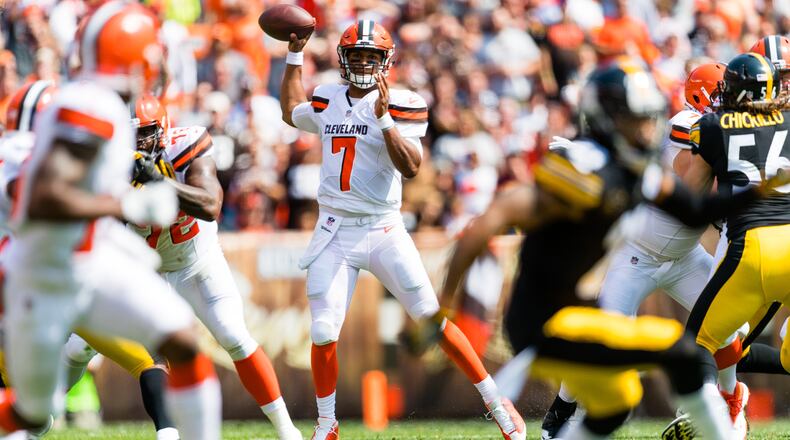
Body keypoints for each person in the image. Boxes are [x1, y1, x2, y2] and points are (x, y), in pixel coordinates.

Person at [440, 58, 774, 439]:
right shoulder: (674, 134)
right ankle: (561, 417)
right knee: (607, 365)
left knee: (726, 334)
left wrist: (764, 190)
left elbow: (696, 206)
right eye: (640, 119)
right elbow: (500, 216)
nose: (649, 128)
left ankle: (728, 401)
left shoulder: (640, 164)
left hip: (683, 257)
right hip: (631, 261)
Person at [280, 19, 526, 440]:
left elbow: (411, 167)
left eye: (370, 56)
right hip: (335, 229)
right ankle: (326, 425)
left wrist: (385, 120)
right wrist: (294, 55)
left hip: (382, 228)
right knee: (322, 330)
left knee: (431, 317)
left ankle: (496, 401)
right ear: (342, 59)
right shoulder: (327, 98)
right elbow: (290, 111)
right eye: (355, 55)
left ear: (384, 61)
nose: (361, 62)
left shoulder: (404, 102)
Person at [1, 3, 221, 438]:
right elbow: (44, 197)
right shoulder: (91, 106)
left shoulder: (109, 104)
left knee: (181, 343)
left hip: (89, 260)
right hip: (44, 275)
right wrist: (127, 207)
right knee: (33, 414)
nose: (157, 65)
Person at [0, 80, 180, 440]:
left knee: (159, 355)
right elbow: (41, 199)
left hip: (55, 283)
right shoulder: (23, 158)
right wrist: (127, 203)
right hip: (43, 287)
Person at [128, 94, 302, 440]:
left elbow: (210, 205)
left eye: (144, 134)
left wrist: (162, 182)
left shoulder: (186, 146)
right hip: (148, 269)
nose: (135, 145)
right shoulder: (107, 166)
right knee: (120, 352)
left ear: (162, 131)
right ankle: (35, 424)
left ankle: (287, 431)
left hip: (196, 262)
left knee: (233, 335)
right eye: (127, 135)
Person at [666, 52, 790, 439]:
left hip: (749, 249)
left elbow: (692, 198)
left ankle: (714, 424)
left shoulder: (712, 125)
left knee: (699, 344)